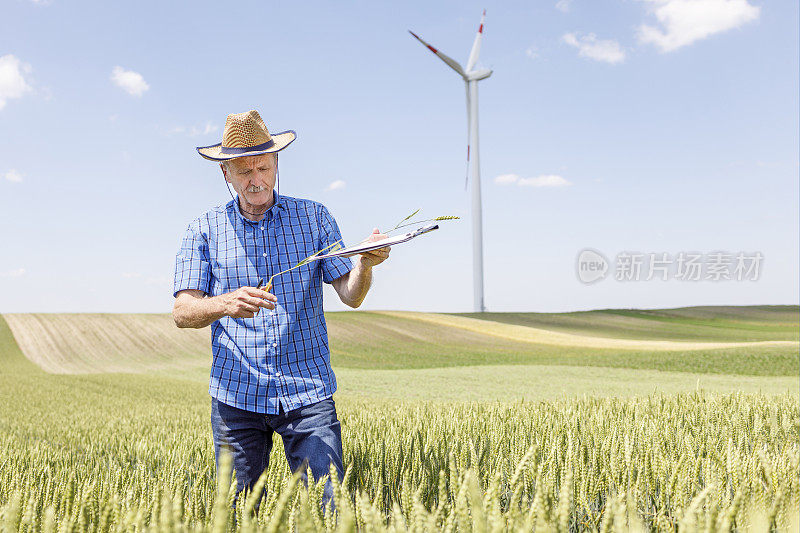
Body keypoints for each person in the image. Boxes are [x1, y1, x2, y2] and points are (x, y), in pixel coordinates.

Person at [172, 110, 389, 510]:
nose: (255, 179)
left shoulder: (315, 217)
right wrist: (224, 304)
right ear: (226, 174)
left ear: (276, 165)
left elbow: (350, 294)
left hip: (308, 393)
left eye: (262, 167)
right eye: (243, 171)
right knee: (236, 513)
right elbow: (183, 311)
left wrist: (365, 265)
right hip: (236, 397)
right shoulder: (203, 229)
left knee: (328, 507)